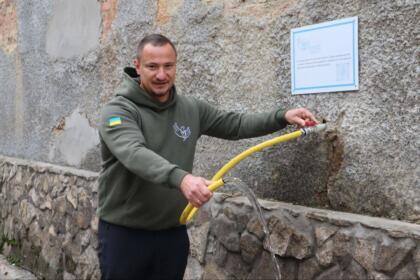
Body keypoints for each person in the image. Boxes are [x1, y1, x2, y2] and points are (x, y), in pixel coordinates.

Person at [97, 34, 318, 280]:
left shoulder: (190, 108)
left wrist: (282, 116)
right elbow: (134, 153)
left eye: (168, 66)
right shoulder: (118, 110)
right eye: (152, 66)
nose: (161, 75)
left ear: (176, 65)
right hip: (125, 236)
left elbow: (235, 124)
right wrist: (182, 179)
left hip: (172, 234)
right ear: (137, 66)